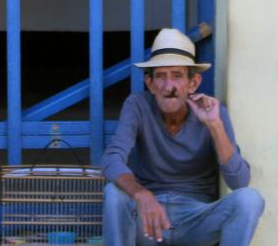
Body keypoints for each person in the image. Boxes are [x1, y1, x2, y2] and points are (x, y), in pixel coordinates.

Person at [102, 29, 264, 245]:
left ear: (193, 83)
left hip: (196, 220)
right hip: (150, 219)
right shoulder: (138, 105)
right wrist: (141, 194)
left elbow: (239, 182)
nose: (169, 87)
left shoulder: (214, 112)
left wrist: (213, 124)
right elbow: (112, 158)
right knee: (114, 193)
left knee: (250, 199)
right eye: (160, 76)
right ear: (150, 84)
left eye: (177, 76)